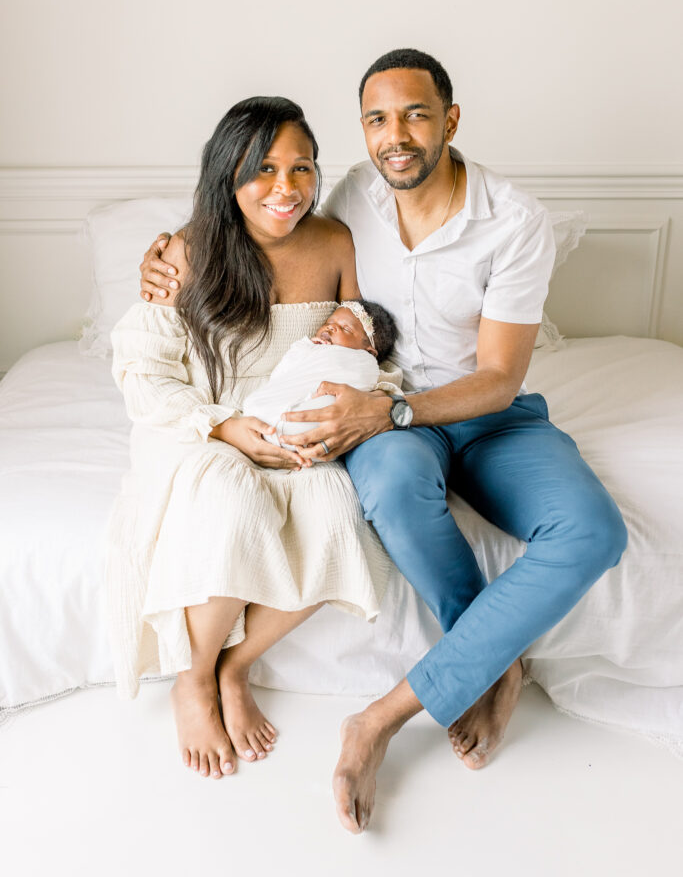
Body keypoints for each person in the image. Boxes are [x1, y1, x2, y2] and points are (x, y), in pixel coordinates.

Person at [139, 49, 628, 834]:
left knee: (593, 531)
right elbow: (259, 212)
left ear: (450, 121)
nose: (393, 135)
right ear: (362, 130)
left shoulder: (514, 220)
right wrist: (169, 247)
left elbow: (500, 376)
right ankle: (494, 664)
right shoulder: (354, 196)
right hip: (389, 415)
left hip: (478, 414)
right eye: (376, 118)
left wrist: (387, 414)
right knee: (393, 492)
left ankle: (379, 719)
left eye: (414, 115)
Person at [107, 96, 395, 784]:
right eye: (263, 169)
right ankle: (194, 676)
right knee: (231, 499)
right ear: (227, 170)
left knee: (334, 512)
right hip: (201, 423)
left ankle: (235, 667)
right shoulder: (185, 250)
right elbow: (143, 371)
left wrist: (343, 413)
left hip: (291, 420)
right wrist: (224, 426)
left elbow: (363, 350)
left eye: (301, 168)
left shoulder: (334, 242)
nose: (286, 188)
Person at [242, 299, 399, 450]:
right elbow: (280, 376)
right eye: (328, 323)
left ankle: (284, 431)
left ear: (369, 351)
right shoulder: (309, 348)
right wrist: (305, 348)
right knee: (254, 401)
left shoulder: (363, 362)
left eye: (345, 329)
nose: (331, 328)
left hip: (308, 423)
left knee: (330, 403)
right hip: (271, 411)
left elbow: (361, 385)